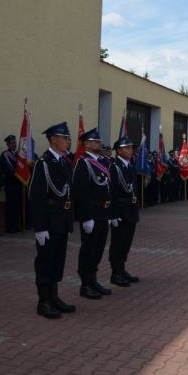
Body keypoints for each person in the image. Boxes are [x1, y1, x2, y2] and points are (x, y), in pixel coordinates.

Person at [28, 122, 76, 319]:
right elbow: (36, 196)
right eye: (64, 138)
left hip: (62, 219)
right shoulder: (43, 163)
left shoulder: (64, 162)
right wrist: (40, 227)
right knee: (45, 261)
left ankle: (54, 297)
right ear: (53, 139)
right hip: (49, 220)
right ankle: (43, 302)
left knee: (58, 259)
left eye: (68, 138)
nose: (67, 141)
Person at [73, 128, 114, 300]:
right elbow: (80, 193)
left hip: (103, 212)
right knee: (88, 249)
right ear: (87, 144)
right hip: (92, 212)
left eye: (100, 141)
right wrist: (86, 217)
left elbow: (108, 189)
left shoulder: (102, 162)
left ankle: (93, 280)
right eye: (96, 141)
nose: (100, 143)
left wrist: (110, 213)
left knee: (98, 248)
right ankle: (85, 284)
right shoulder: (83, 163)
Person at [108, 136, 140, 287]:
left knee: (127, 241)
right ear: (119, 151)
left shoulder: (130, 165)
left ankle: (122, 268)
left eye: (131, 147)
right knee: (118, 242)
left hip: (130, 208)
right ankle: (115, 272)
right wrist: (113, 214)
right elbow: (112, 192)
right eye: (127, 148)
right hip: (120, 209)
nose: (130, 150)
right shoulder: (114, 167)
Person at [1, 134, 23, 233]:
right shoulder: (5, 154)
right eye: (11, 143)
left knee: (17, 206)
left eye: (14, 142)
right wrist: (17, 175)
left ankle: (16, 224)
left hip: (19, 184)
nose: (13, 144)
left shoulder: (19, 154)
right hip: (11, 184)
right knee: (10, 206)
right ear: (7, 144)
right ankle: (9, 226)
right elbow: (6, 169)